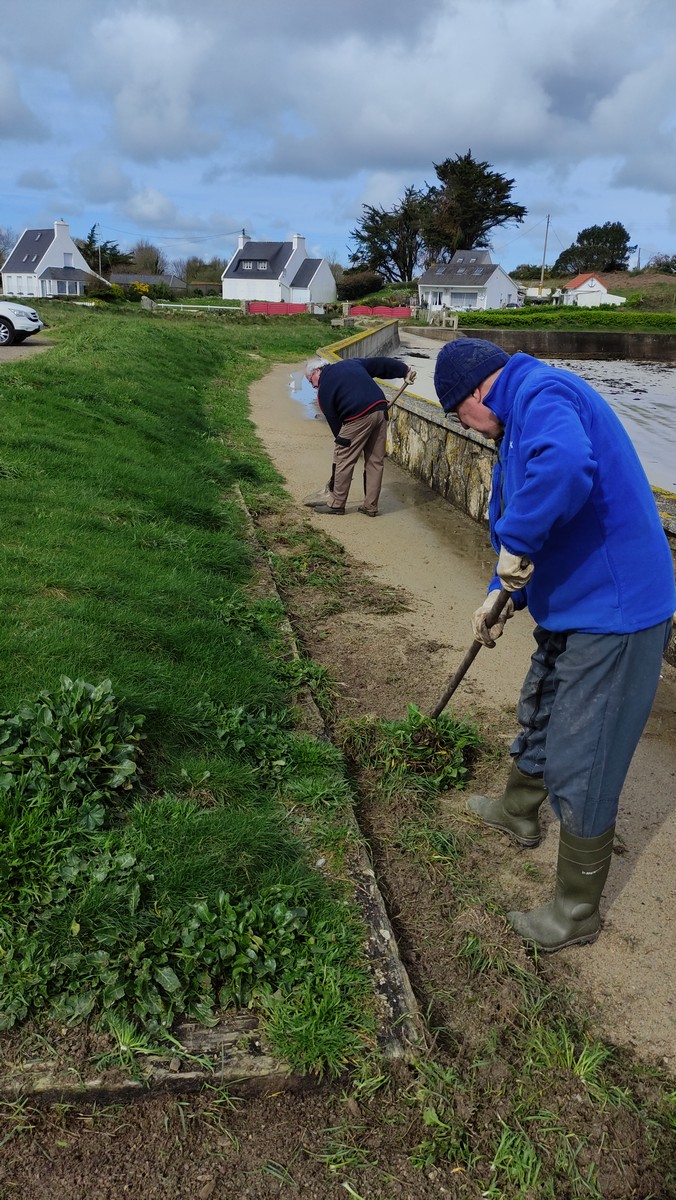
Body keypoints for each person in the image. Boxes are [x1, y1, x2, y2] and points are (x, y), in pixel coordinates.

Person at [433, 337, 676, 953]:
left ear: (476, 392)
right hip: (572, 603)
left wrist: (513, 547)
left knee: (583, 753)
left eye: (457, 415)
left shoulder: (542, 392)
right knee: (540, 706)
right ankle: (518, 810)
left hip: (616, 611)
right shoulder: (514, 418)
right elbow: (526, 525)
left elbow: (565, 468)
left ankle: (575, 911)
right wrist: (500, 593)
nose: (467, 429)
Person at [304, 355, 415, 516]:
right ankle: (370, 506)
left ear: (317, 371)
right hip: (380, 409)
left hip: (358, 415)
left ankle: (336, 504)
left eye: (310, 380)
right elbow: (380, 364)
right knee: (375, 461)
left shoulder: (324, 389)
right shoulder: (351, 363)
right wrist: (404, 370)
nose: (312, 385)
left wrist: (345, 445)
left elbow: (337, 427)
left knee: (343, 457)